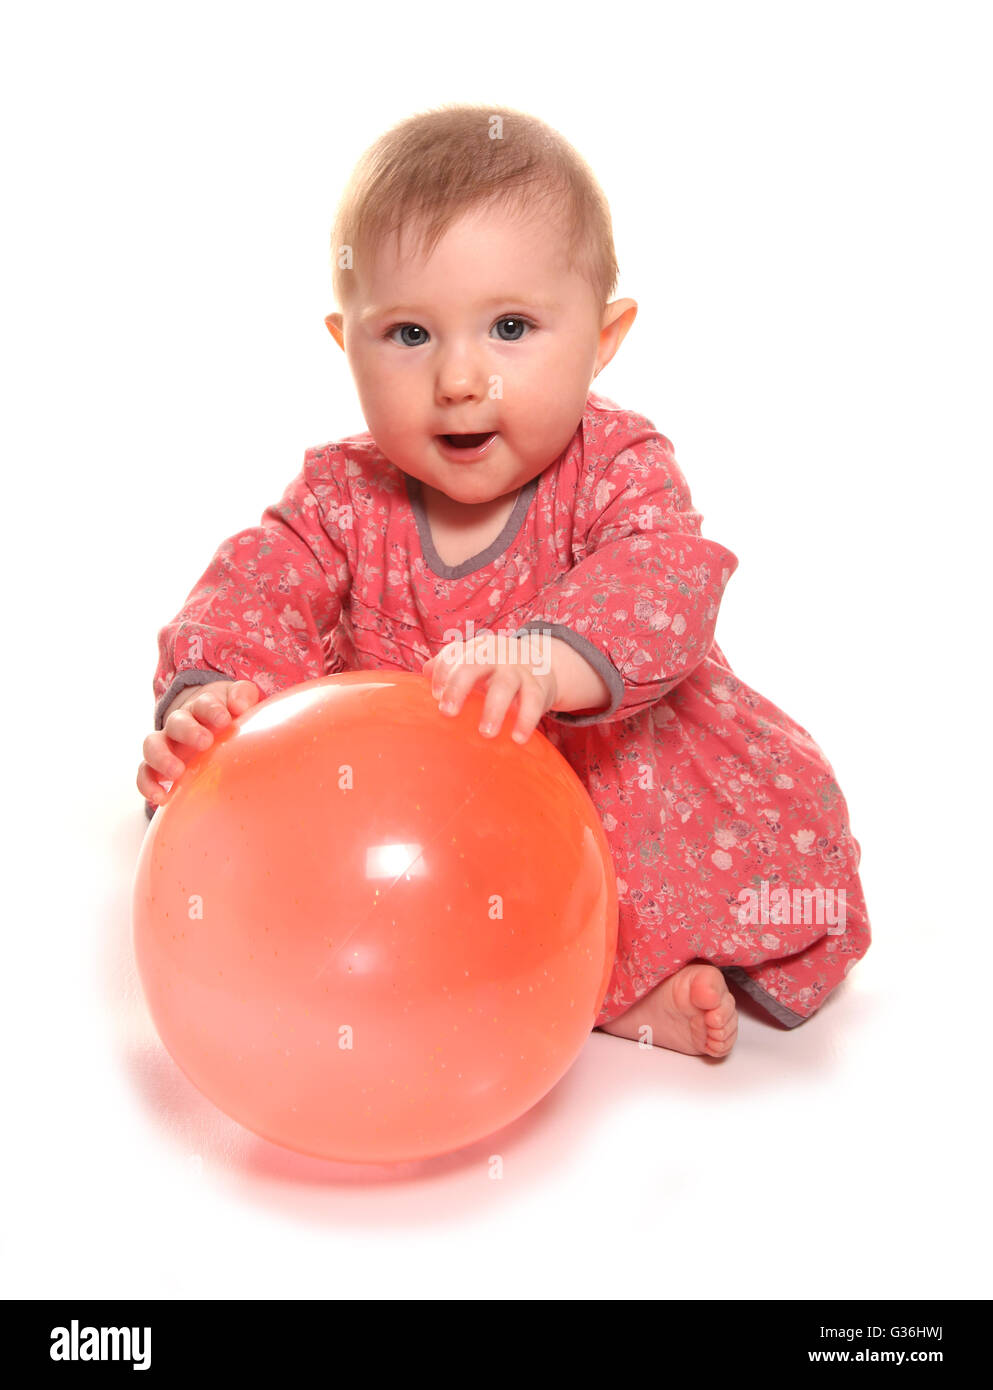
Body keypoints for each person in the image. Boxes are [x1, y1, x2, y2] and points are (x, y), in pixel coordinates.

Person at [137, 103, 870, 1059]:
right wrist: (218, 702)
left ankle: (619, 990)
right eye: (407, 334)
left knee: (671, 876)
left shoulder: (614, 461)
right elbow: (253, 589)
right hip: (432, 813)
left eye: (511, 327)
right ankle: (581, 990)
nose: (457, 378)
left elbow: (664, 571)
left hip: (619, 783)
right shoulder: (341, 496)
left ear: (604, 337)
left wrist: (548, 657)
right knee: (408, 919)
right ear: (343, 341)